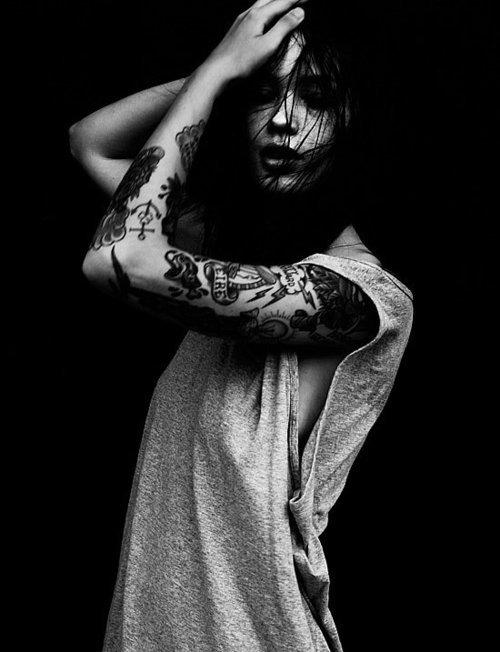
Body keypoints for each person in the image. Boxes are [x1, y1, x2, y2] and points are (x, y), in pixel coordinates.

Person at [70, 1, 413, 650]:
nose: (283, 120)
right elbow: (91, 141)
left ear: (354, 119)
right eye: (262, 96)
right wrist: (222, 71)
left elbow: (119, 257)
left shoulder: (357, 297)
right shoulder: (230, 255)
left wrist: (223, 75)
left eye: (316, 97)